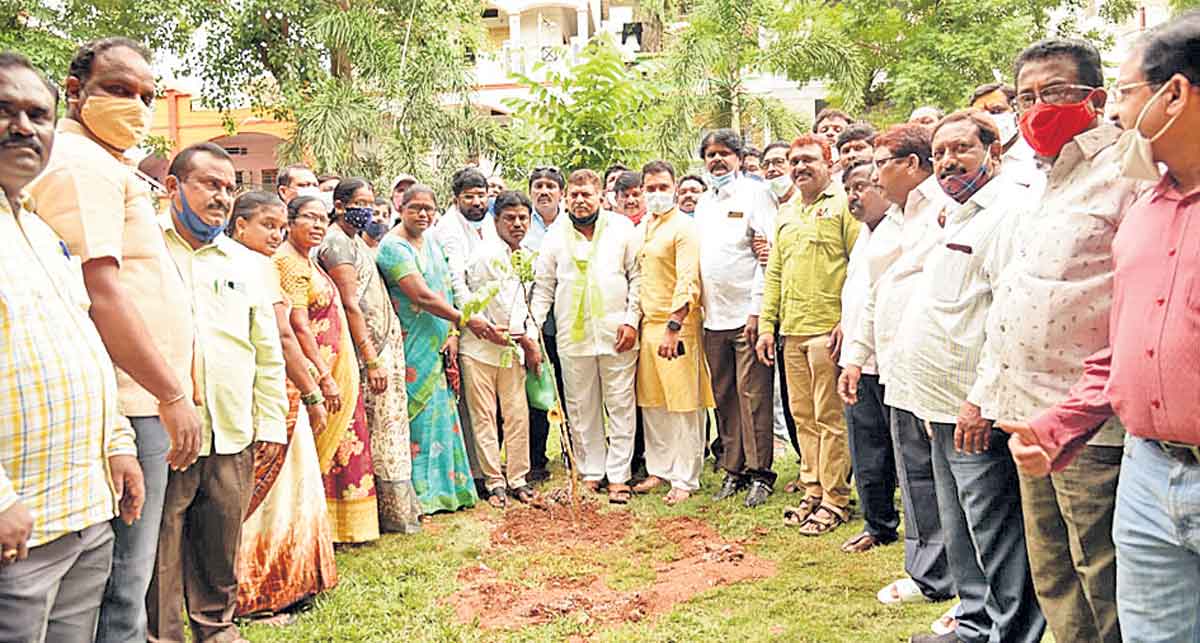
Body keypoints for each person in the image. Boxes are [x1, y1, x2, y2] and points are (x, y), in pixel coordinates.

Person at [999, 16, 1200, 641]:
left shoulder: (1120, 182)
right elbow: (1131, 342)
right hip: (1144, 462)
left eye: (1124, 92)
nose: (1117, 110)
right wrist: (1057, 423)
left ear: (1175, 94)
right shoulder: (1148, 206)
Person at [962, 38, 1145, 643]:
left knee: (1105, 573)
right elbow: (1017, 296)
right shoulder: (1044, 184)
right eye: (1026, 97)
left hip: (1091, 420)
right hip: (1025, 416)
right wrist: (985, 396)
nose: (1038, 108)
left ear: (1095, 98)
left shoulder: (1128, 173)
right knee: (1054, 573)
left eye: (1055, 92)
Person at [28, 37, 201, 643]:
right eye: (119, 91)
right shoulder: (81, 168)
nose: (137, 107)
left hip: (141, 401)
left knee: (122, 580)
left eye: (147, 96)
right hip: (130, 404)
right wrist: (170, 394)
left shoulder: (108, 166)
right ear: (75, 93)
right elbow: (100, 292)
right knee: (118, 588)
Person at [882, 111, 1044, 643]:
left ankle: (1011, 632)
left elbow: (1008, 314)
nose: (948, 162)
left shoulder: (1010, 212)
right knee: (962, 529)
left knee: (994, 530)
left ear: (993, 151)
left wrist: (979, 402)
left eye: (961, 150)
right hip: (938, 404)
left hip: (973, 408)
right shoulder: (955, 214)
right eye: (940, 154)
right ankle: (974, 624)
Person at [0, 51, 143, 643]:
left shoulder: (39, 230)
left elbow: (82, 342)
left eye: (38, 114)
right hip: (17, 528)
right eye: (4, 111)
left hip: (84, 510)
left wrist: (118, 444)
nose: (24, 127)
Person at [148, 142, 289, 643]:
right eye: (210, 184)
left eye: (229, 188)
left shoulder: (246, 262)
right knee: (160, 547)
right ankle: (163, 636)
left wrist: (270, 424)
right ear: (173, 187)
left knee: (220, 543)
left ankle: (217, 628)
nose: (222, 197)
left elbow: (266, 351)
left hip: (232, 430)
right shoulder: (144, 248)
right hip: (164, 430)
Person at [839, 123, 958, 613]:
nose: (873, 173)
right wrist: (856, 357)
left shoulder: (945, 211)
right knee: (915, 474)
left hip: (940, 367)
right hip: (896, 368)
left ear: (912, 164)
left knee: (952, 477)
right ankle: (929, 572)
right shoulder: (889, 221)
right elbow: (873, 295)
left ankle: (959, 576)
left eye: (881, 161)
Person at [225, 192, 337, 618]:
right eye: (266, 225)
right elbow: (285, 336)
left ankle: (291, 583)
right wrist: (312, 391)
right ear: (239, 226)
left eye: (278, 226)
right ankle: (261, 593)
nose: (276, 233)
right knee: (272, 498)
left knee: (289, 492)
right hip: (272, 395)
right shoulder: (255, 266)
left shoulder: (244, 262)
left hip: (266, 390)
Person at [756, 134, 859, 536]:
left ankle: (836, 499)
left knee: (830, 418)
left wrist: (847, 320)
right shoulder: (786, 212)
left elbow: (859, 267)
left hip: (828, 331)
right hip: (792, 333)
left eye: (808, 160)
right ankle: (812, 488)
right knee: (803, 416)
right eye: (793, 161)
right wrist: (768, 325)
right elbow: (775, 273)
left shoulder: (843, 207)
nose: (799, 167)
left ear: (829, 163)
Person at [378, 185, 499, 514]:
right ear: (400, 208)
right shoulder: (393, 247)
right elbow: (420, 295)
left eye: (428, 209)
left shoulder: (432, 240)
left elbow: (444, 287)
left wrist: (453, 332)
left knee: (444, 415)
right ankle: (422, 495)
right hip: (410, 344)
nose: (422, 214)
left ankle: (450, 490)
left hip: (440, 339)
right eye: (415, 207)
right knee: (418, 418)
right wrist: (467, 320)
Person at [530, 170, 641, 501]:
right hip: (572, 337)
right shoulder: (554, 235)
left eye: (586, 195)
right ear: (566, 199)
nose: (580, 201)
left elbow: (637, 277)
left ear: (600, 198)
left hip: (616, 332)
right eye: (574, 195)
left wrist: (632, 320)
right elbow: (544, 288)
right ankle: (592, 471)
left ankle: (619, 476)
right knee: (580, 407)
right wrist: (532, 331)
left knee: (621, 403)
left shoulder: (622, 229)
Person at [275, 195, 380, 544]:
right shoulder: (288, 263)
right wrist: (323, 376)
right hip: (316, 369)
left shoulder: (308, 260)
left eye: (323, 218)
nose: (318, 225)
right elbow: (298, 325)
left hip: (335, 364)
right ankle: (312, 531)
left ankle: (340, 528)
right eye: (309, 218)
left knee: (344, 445)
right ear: (290, 221)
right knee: (320, 446)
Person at [320, 178, 422, 533]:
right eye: (360, 202)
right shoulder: (335, 244)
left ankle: (398, 513)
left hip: (384, 345)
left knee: (389, 427)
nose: (368, 210)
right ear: (340, 204)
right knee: (378, 429)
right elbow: (350, 303)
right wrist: (372, 357)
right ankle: (384, 513)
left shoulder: (354, 242)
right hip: (368, 353)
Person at [694, 129, 779, 507]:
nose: (717, 160)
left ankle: (761, 472)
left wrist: (757, 309)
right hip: (713, 317)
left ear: (739, 157)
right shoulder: (703, 203)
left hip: (748, 314)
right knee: (725, 395)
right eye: (711, 154)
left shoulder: (756, 194)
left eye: (725, 153)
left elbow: (767, 255)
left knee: (753, 396)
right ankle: (734, 468)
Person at [635, 161, 714, 505]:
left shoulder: (684, 228)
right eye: (649, 188)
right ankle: (660, 469)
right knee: (653, 402)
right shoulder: (645, 227)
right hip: (647, 324)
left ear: (675, 187)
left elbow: (688, 279)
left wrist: (674, 325)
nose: (656, 194)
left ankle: (685, 477)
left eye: (662, 187)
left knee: (683, 403)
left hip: (676, 326)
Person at [837, 160, 902, 554]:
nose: (854, 196)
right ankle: (877, 523)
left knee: (902, 449)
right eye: (849, 189)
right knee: (866, 445)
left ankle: (914, 525)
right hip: (859, 358)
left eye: (862, 186)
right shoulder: (863, 235)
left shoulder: (903, 230)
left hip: (893, 358)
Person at [462, 190, 542, 507]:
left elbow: (524, 304)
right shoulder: (485, 255)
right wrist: (525, 339)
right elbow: (490, 308)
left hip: (513, 349)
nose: (517, 224)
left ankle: (519, 478)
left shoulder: (522, 256)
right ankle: (494, 481)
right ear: (496, 220)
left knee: (517, 415)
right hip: (481, 348)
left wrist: (527, 339)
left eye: (523, 218)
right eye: (509, 218)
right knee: (484, 416)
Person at [432, 167, 500, 490]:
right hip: (465, 322)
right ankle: (475, 473)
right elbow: (455, 278)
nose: (476, 201)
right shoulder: (448, 228)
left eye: (481, 195)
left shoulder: (486, 223)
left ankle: (486, 467)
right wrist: (470, 318)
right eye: (469, 196)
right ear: (456, 198)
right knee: (473, 406)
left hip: (491, 323)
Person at [524, 165, 567, 483]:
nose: (544, 191)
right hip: (532, 326)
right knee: (536, 393)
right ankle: (535, 458)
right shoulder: (522, 224)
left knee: (571, 392)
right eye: (538, 185)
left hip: (567, 325)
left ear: (560, 193)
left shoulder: (572, 224)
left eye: (550, 186)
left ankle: (573, 453)